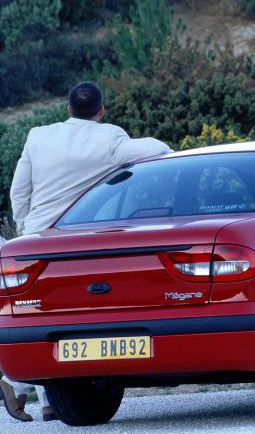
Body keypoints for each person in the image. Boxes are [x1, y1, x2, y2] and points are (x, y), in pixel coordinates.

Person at [1, 82, 172, 422]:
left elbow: (20, 189)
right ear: (101, 110)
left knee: (39, 313)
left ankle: (45, 400)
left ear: (67, 109)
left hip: (37, 235)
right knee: (66, 313)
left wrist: (24, 228)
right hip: (79, 236)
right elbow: (160, 149)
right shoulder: (110, 138)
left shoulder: (38, 136)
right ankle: (16, 384)